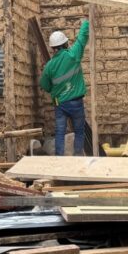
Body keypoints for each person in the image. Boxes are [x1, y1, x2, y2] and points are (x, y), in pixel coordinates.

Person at [41, 19, 90, 156]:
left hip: (60, 104)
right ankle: (78, 156)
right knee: (79, 131)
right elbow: (82, 38)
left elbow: (44, 84)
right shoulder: (73, 55)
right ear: (65, 44)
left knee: (60, 132)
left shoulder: (49, 66)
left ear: (52, 48)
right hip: (76, 102)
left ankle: (60, 158)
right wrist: (86, 21)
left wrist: (55, 90)